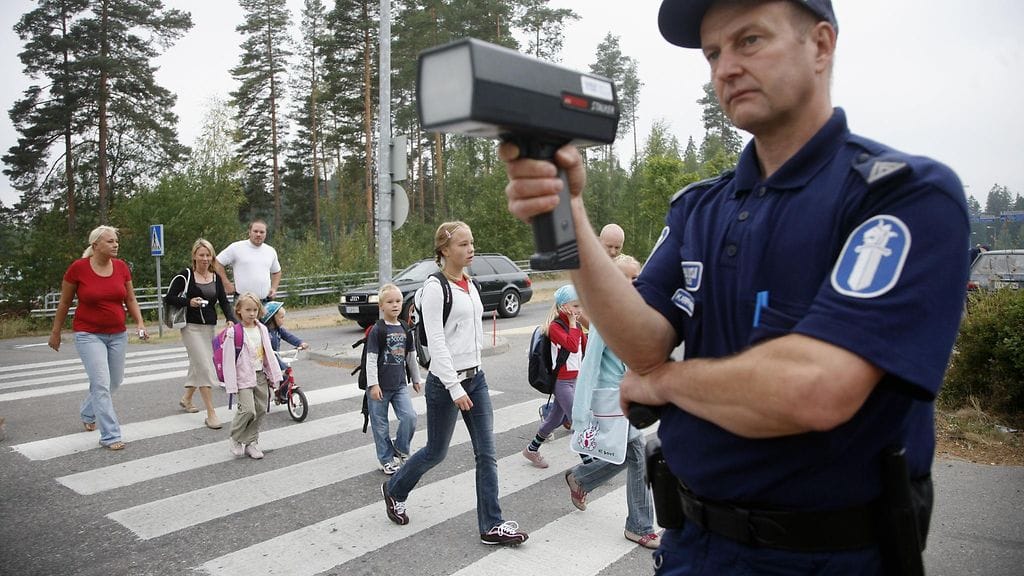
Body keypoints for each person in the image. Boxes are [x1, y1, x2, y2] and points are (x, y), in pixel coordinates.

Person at [501, 0, 969, 573]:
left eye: (750, 41)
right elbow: (642, 343)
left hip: (827, 556)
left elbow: (815, 388)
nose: (725, 68)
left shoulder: (902, 195)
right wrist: (569, 215)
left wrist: (667, 382)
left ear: (821, 45)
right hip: (692, 546)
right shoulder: (702, 206)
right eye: (713, 53)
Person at [382, 221, 529, 546]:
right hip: (445, 384)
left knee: (486, 453)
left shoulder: (470, 284)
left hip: (476, 378)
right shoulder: (436, 288)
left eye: (471, 242)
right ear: (444, 250)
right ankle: (394, 489)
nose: (471, 248)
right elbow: (437, 342)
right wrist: (454, 386)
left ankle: (491, 525)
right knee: (436, 452)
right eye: (463, 244)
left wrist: (472, 375)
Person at [564, 254, 660, 551]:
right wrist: (581, 412)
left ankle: (581, 478)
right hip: (611, 401)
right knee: (637, 456)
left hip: (629, 400)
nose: (630, 283)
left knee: (627, 455)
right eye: (623, 278)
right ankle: (639, 526)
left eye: (635, 278)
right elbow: (590, 364)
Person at [48, 225, 149, 451]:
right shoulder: (78, 268)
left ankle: (88, 411)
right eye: (110, 241)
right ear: (95, 245)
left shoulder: (121, 267)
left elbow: (130, 299)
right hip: (88, 334)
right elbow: (64, 302)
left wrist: (140, 323)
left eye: (116, 241)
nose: (115, 244)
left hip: (118, 334)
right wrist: (56, 331)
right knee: (101, 383)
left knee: (114, 381)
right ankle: (110, 435)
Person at [167, 238, 237, 429]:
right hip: (191, 327)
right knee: (205, 366)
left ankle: (187, 398)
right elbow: (169, 298)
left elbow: (224, 301)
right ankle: (211, 413)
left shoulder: (215, 277)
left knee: (198, 364)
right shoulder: (185, 275)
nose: (205, 259)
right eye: (201, 255)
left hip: (209, 327)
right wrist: (189, 302)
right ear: (194, 256)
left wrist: (230, 318)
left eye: (208, 255)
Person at [522, 284, 586, 469]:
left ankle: (531, 449)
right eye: (575, 306)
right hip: (562, 382)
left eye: (581, 305)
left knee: (555, 419)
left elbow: (584, 348)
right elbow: (571, 346)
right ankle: (590, 463)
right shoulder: (555, 327)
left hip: (575, 380)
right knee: (577, 419)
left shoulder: (576, 326)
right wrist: (573, 324)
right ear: (563, 307)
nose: (579, 310)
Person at [365, 283, 424, 475]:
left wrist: (416, 379)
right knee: (380, 426)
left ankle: (400, 448)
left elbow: (411, 356)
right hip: (379, 387)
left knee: (409, 417)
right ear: (381, 306)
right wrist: (373, 385)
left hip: (399, 385)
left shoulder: (405, 328)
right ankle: (386, 459)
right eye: (390, 302)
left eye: (398, 301)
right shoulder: (378, 330)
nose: (395, 305)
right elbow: (371, 359)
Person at [221, 292, 282, 460]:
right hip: (243, 377)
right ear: (239, 310)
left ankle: (251, 443)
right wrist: (231, 384)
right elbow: (228, 360)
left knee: (261, 410)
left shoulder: (262, 329)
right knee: (248, 410)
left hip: (260, 375)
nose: (252, 313)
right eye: (248, 310)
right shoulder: (233, 332)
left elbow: (268, 354)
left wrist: (274, 375)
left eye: (255, 310)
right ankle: (235, 436)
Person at [214, 219, 281, 302]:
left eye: (262, 232)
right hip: (242, 301)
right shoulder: (236, 247)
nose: (258, 234)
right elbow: (217, 262)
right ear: (249, 232)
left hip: (265, 301)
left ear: (266, 234)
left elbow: (277, 272)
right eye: (255, 231)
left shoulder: (270, 251)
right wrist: (226, 283)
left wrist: (274, 288)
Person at [259, 301, 309, 403]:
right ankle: (269, 392)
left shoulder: (278, 330)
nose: (283, 319)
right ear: (272, 318)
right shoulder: (263, 331)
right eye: (281, 317)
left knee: (286, 373)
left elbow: (288, 336)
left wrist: (300, 343)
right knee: (268, 377)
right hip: (266, 359)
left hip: (276, 356)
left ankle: (282, 394)